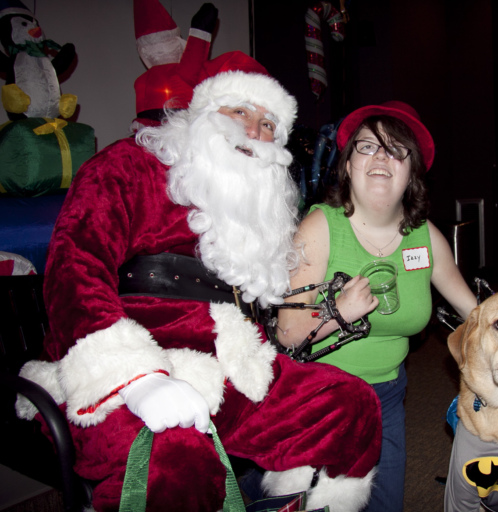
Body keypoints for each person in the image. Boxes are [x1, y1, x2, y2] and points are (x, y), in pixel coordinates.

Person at [15, 51, 381, 512]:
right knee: (177, 462)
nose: (254, 131)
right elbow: (75, 271)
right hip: (125, 375)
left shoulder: (258, 210)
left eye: (269, 124)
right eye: (240, 112)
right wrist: (140, 379)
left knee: (350, 405)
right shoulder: (130, 166)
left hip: (232, 371)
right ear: (202, 114)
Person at [276, 101, 478, 512]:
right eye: (367, 147)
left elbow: (476, 314)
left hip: (388, 395)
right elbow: (287, 332)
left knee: (386, 505)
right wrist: (338, 312)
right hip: (322, 397)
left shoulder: (424, 237)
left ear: (411, 172)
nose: (382, 156)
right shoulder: (320, 228)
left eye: (396, 149)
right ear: (348, 166)